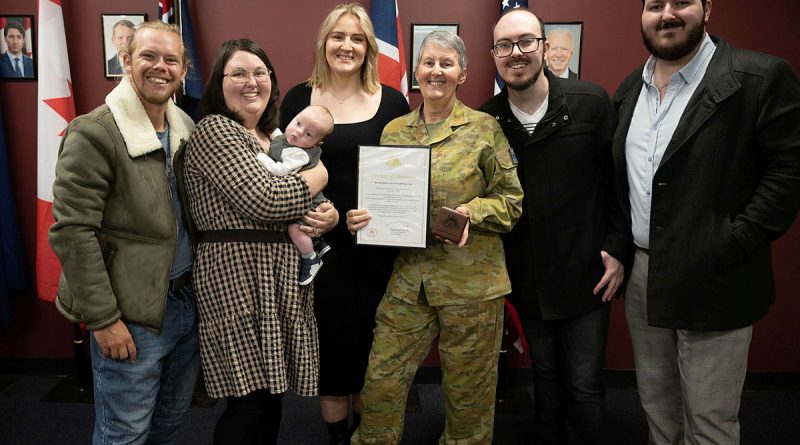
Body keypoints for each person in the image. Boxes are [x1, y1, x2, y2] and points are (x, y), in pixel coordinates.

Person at [613, 1, 800, 443]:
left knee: (709, 420)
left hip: (716, 276)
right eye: (655, 5)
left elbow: (790, 170)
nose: (667, 14)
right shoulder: (628, 91)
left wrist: (732, 242)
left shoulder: (759, 78)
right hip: (643, 276)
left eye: (681, 2)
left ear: (708, 8)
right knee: (657, 407)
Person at [350, 30, 523, 444]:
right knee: (380, 385)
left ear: (462, 73)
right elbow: (385, 198)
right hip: (411, 282)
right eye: (429, 62)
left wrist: (472, 212)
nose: (436, 71)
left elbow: (511, 202)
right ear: (415, 71)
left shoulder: (483, 129)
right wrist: (365, 219)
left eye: (447, 64)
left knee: (469, 399)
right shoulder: (394, 130)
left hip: (471, 287)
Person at [49, 20, 200, 444]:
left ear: (183, 69)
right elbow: (73, 233)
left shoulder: (184, 128)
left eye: (171, 60)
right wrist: (104, 320)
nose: (160, 67)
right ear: (126, 60)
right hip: (130, 317)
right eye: (149, 56)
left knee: (167, 424)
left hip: (185, 304)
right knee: (124, 434)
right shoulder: (95, 132)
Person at [481, 8, 627, 445]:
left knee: (584, 384)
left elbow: (619, 185)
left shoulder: (591, 102)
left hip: (588, 276)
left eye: (526, 41)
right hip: (525, 279)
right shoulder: (486, 122)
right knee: (544, 375)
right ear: (494, 56)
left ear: (545, 46)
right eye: (504, 46)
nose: (516, 53)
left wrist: (618, 248)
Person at [183, 38, 338, 445]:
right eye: (238, 73)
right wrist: (321, 177)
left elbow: (299, 202)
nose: (251, 82)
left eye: (260, 73)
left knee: (271, 397)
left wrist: (329, 215)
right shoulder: (218, 130)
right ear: (219, 83)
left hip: (277, 277)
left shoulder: (271, 136)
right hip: (235, 273)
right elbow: (268, 201)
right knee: (248, 401)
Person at [278, 3, 409, 443]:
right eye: (338, 36)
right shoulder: (298, 99)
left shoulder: (393, 102)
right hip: (321, 253)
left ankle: (369, 436)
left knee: (373, 358)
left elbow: (402, 177)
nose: (347, 46)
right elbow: (279, 168)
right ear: (324, 43)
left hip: (376, 255)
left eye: (357, 38)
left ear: (369, 46)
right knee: (333, 358)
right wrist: (326, 210)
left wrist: (377, 213)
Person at [256, 104, 335, 285]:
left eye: (308, 134)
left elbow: (279, 170)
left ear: (317, 143)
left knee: (294, 228)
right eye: (298, 123)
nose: (298, 132)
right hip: (305, 195)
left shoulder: (299, 154)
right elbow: (278, 137)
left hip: (309, 203)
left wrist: (261, 157)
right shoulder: (289, 138)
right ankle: (318, 243)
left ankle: (310, 258)